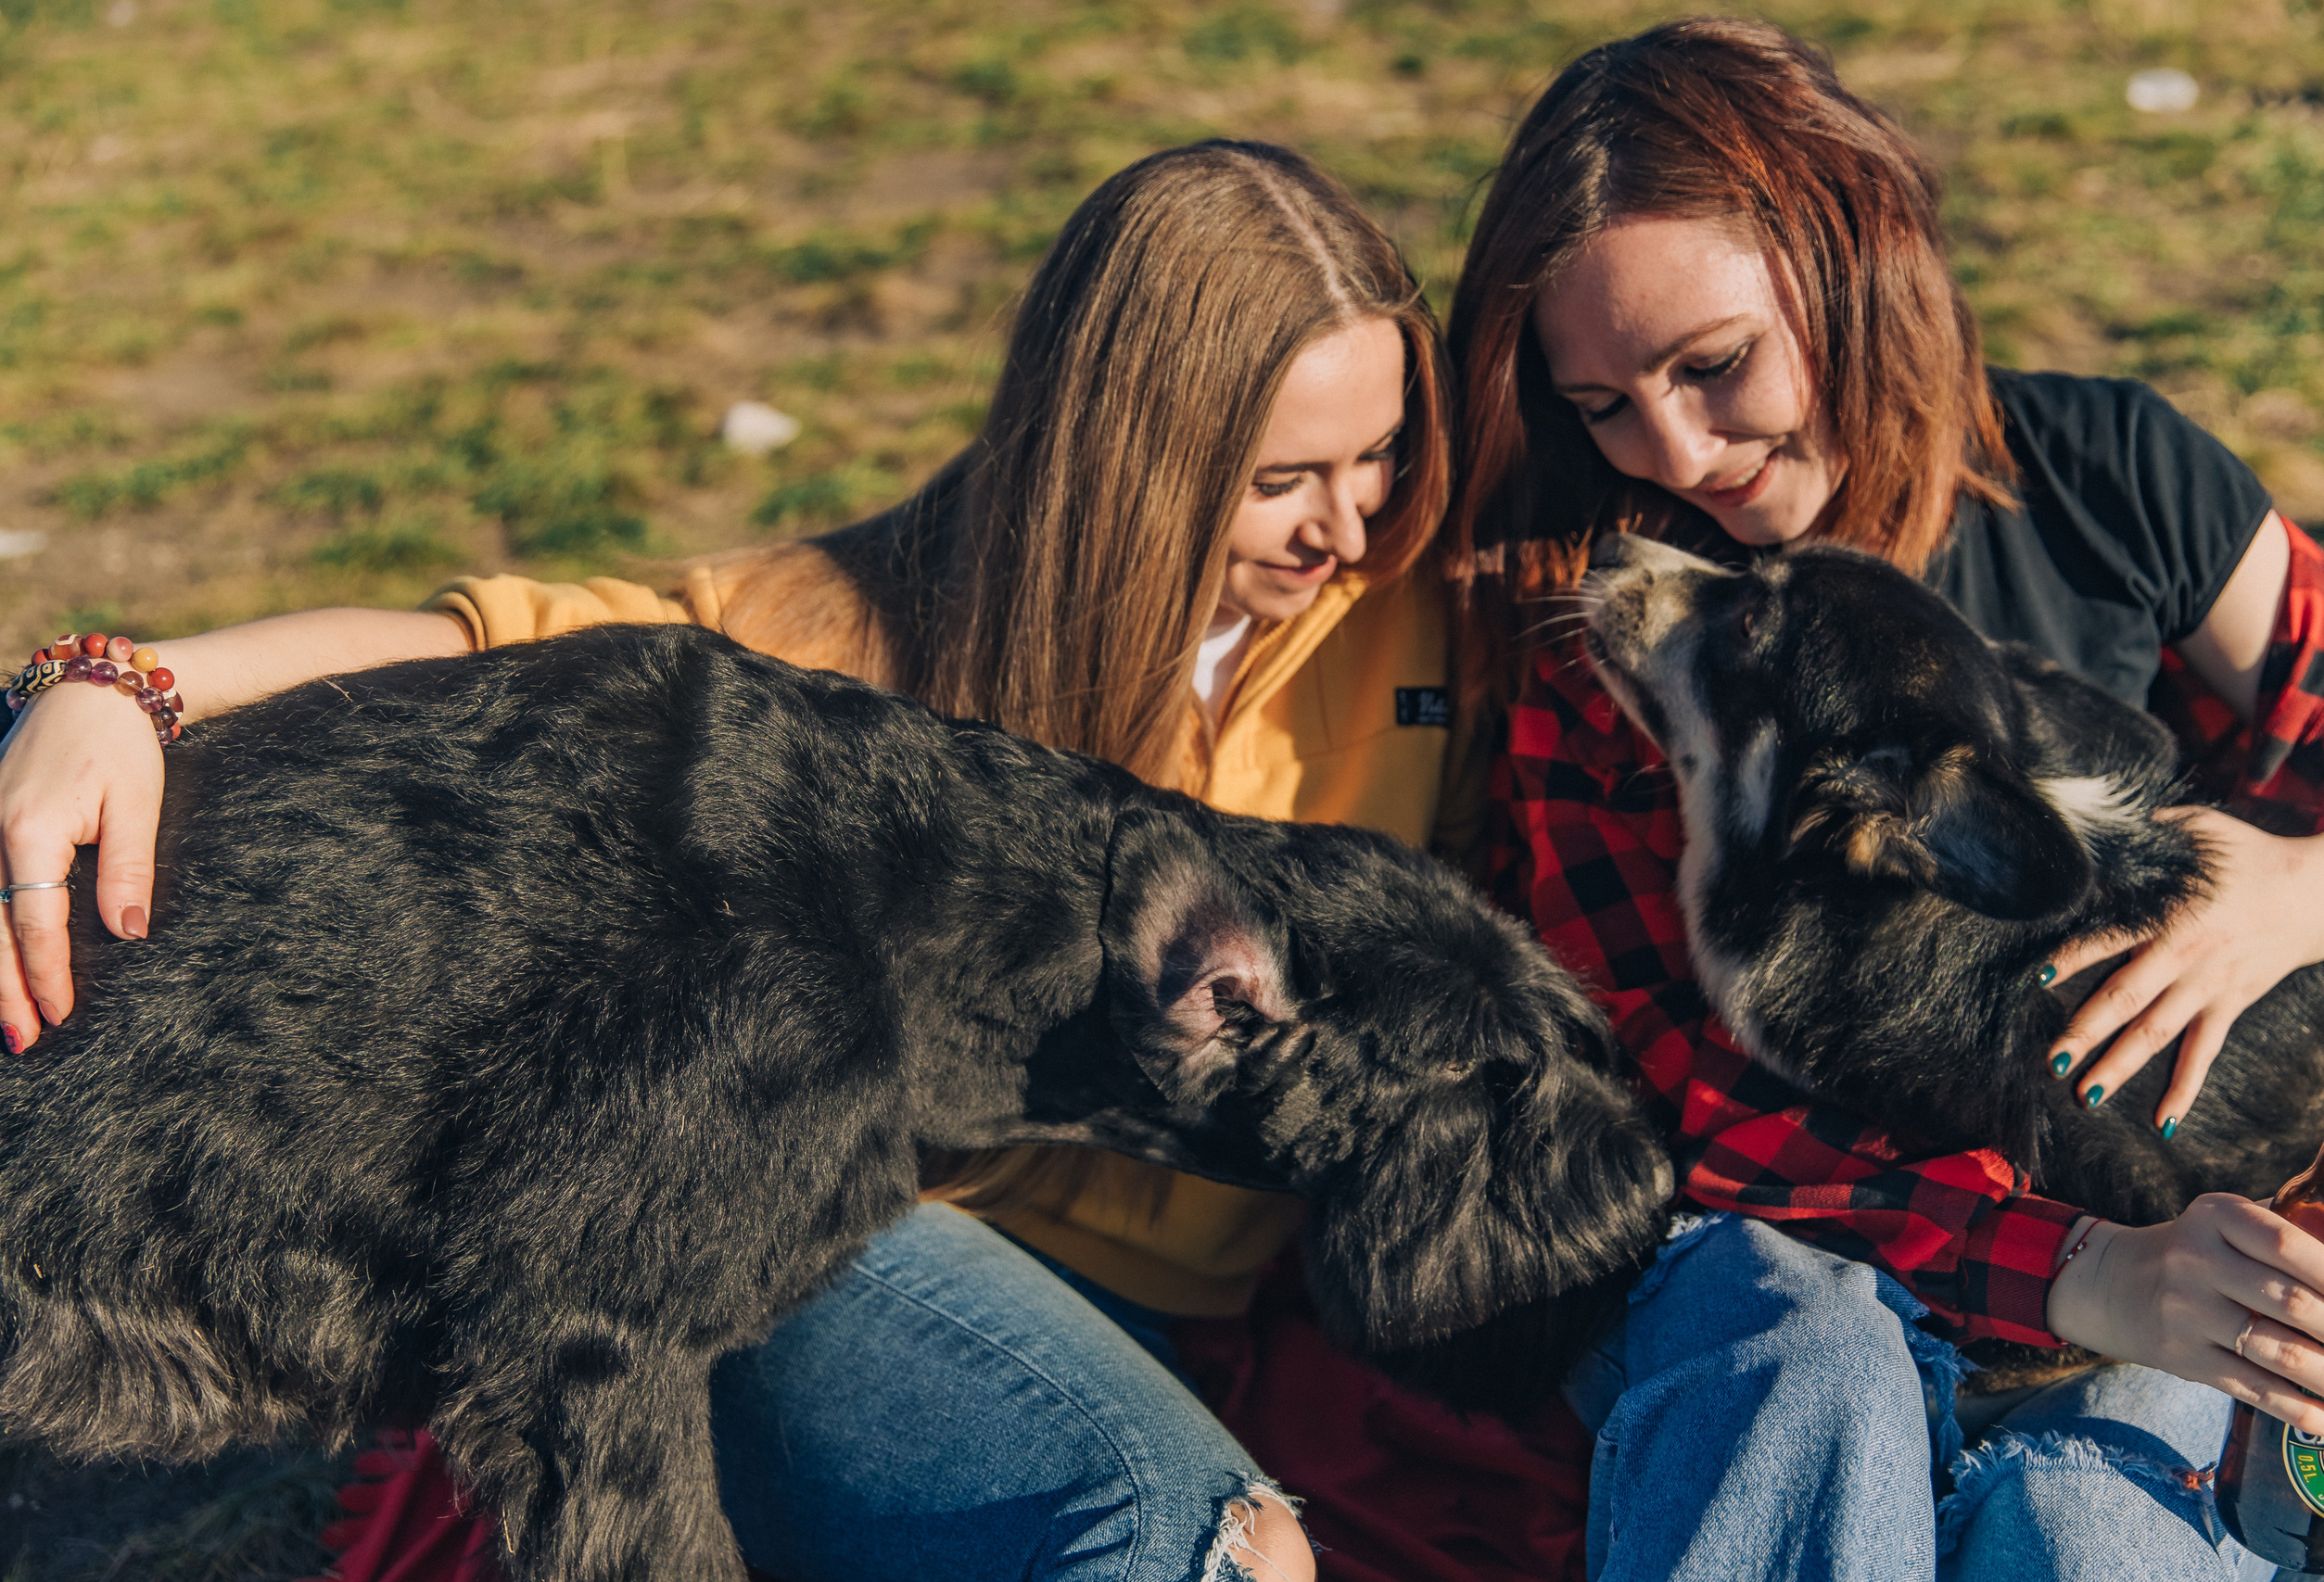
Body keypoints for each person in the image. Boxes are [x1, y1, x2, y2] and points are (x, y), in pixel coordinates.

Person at [0, 138, 1471, 1582]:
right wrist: (115, 680)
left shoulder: (1414, 612)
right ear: (1130, 462)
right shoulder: (851, 630)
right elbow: (488, 651)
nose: (1346, 526)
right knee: (1222, 1560)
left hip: (1208, 1292)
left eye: (1383, 452)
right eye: (1284, 479)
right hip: (878, 1251)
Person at [1446, 18, 2324, 1580]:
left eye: (1713, 365)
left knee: (2093, 1524)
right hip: (1794, 1233)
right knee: (1802, 1366)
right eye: (1602, 403)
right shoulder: (1624, 626)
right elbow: (1675, 1093)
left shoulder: (2102, 480)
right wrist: (2078, 1272)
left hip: (2148, 1225)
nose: (1675, 455)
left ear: (1848, 255)